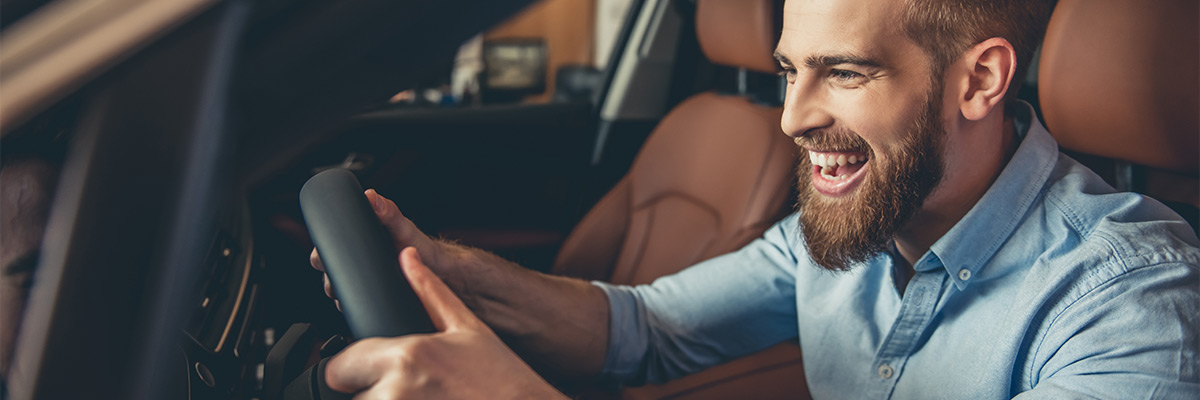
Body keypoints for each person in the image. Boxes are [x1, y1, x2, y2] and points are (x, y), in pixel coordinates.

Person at [311, 0, 1200, 398]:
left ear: (980, 81)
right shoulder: (851, 225)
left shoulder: (1130, 308)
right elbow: (644, 330)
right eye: (788, 72)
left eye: (844, 73)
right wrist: (439, 271)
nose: (793, 121)